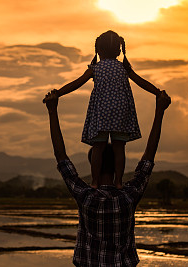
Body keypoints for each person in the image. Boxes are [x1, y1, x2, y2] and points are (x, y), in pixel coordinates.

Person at [43, 89, 171, 267]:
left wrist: (52, 110)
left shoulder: (86, 197)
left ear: (92, 164)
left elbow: (61, 156)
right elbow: (148, 158)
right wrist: (160, 112)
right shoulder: (128, 197)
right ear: (119, 165)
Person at [45, 30, 161, 189]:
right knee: (119, 147)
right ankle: (118, 182)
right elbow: (142, 82)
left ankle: (94, 182)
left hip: (102, 112)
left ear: (98, 51)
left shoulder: (96, 68)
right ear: (119, 51)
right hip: (121, 111)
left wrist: (58, 93)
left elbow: (76, 83)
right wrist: (158, 93)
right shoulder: (124, 68)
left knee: (98, 147)